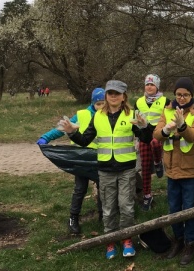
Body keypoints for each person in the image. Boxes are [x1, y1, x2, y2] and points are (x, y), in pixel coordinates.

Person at [60, 80, 148, 260]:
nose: (113, 96)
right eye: (110, 93)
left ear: (124, 96)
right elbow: (85, 140)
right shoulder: (98, 116)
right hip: (106, 169)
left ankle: (126, 239)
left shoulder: (132, 115)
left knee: (126, 206)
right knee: (108, 208)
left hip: (126, 169)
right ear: (106, 96)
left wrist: (144, 126)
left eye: (117, 93)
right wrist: (71, 133)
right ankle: (109, 240)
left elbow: (146, 138)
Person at [36, 87, 106, 234]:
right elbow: (63, 127)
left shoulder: (108, 115)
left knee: (103, 188)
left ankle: (103, 215)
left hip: (100, 158)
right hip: (81, 159)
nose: (101, 106)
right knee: (80, 188)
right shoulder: (82, 115)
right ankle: (73, 218)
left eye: (103, 103)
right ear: (93, 103)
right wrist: (46, 137)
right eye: (98, 103)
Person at [153, 77, 194, 266]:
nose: (182, 98)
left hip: (189, 170)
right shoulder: (167, 110)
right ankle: (178, 239)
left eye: (185, 94)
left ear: (191, 95)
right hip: (171, 169)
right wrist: (167, 130)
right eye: (178, 94)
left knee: (189, 208)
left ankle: (190, 243)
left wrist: (182, 125)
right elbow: (157, 134)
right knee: (174, 208)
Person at [133, 74, 169, 211]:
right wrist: (137, 137)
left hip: (158, 134)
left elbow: (169, 117)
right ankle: (147, 195)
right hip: (143, 136)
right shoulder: (139, 102)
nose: (149, 87)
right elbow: (135, 121)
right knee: (145, 167)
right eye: (147, 84)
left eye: (152, 84)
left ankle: (158, 162)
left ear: (157, 86)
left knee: (155, 142)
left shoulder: (165, 101)